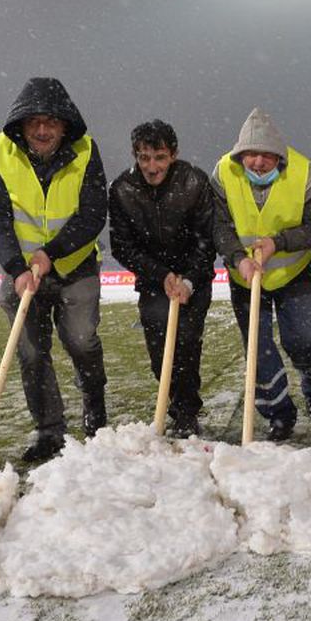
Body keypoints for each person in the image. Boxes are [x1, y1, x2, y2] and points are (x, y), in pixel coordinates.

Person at [0, 77, 109, 463]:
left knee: (82, 341)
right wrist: (17, 267)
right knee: (32, 354)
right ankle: (50, 430)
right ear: (20, 125)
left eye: (51, 121)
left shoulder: (86, 151)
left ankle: (94, 405)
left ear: (65, 125)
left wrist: (52, 252)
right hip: (23, 270)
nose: (41, 130)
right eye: (33, 121)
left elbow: (92, 214)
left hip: (75, 263)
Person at [211, 107, 311, 442]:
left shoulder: (304, 173)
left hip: (293, 273)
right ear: (240, 155)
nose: (258, 163)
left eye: (266, 156)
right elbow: (219, 226)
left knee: (309, 340)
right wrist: (238, 258)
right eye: (250, 155)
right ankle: (279, 414)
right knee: (259, 350)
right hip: (245, 278)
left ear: (279, 156)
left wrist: (278, 243)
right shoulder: (223, 173)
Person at [109, 119, 216, 439]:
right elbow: (123, 246)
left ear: (173, 155)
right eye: (143, 157)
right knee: (161, 354)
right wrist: (161, 275)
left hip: (194, 280)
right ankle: (174, 400)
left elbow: (206, 240)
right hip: (154, 282)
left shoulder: (195, 182)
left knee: (185, 342)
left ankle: (185, 412)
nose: (151, 166)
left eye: (159, 157)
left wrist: (187, 280)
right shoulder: (122, 189)